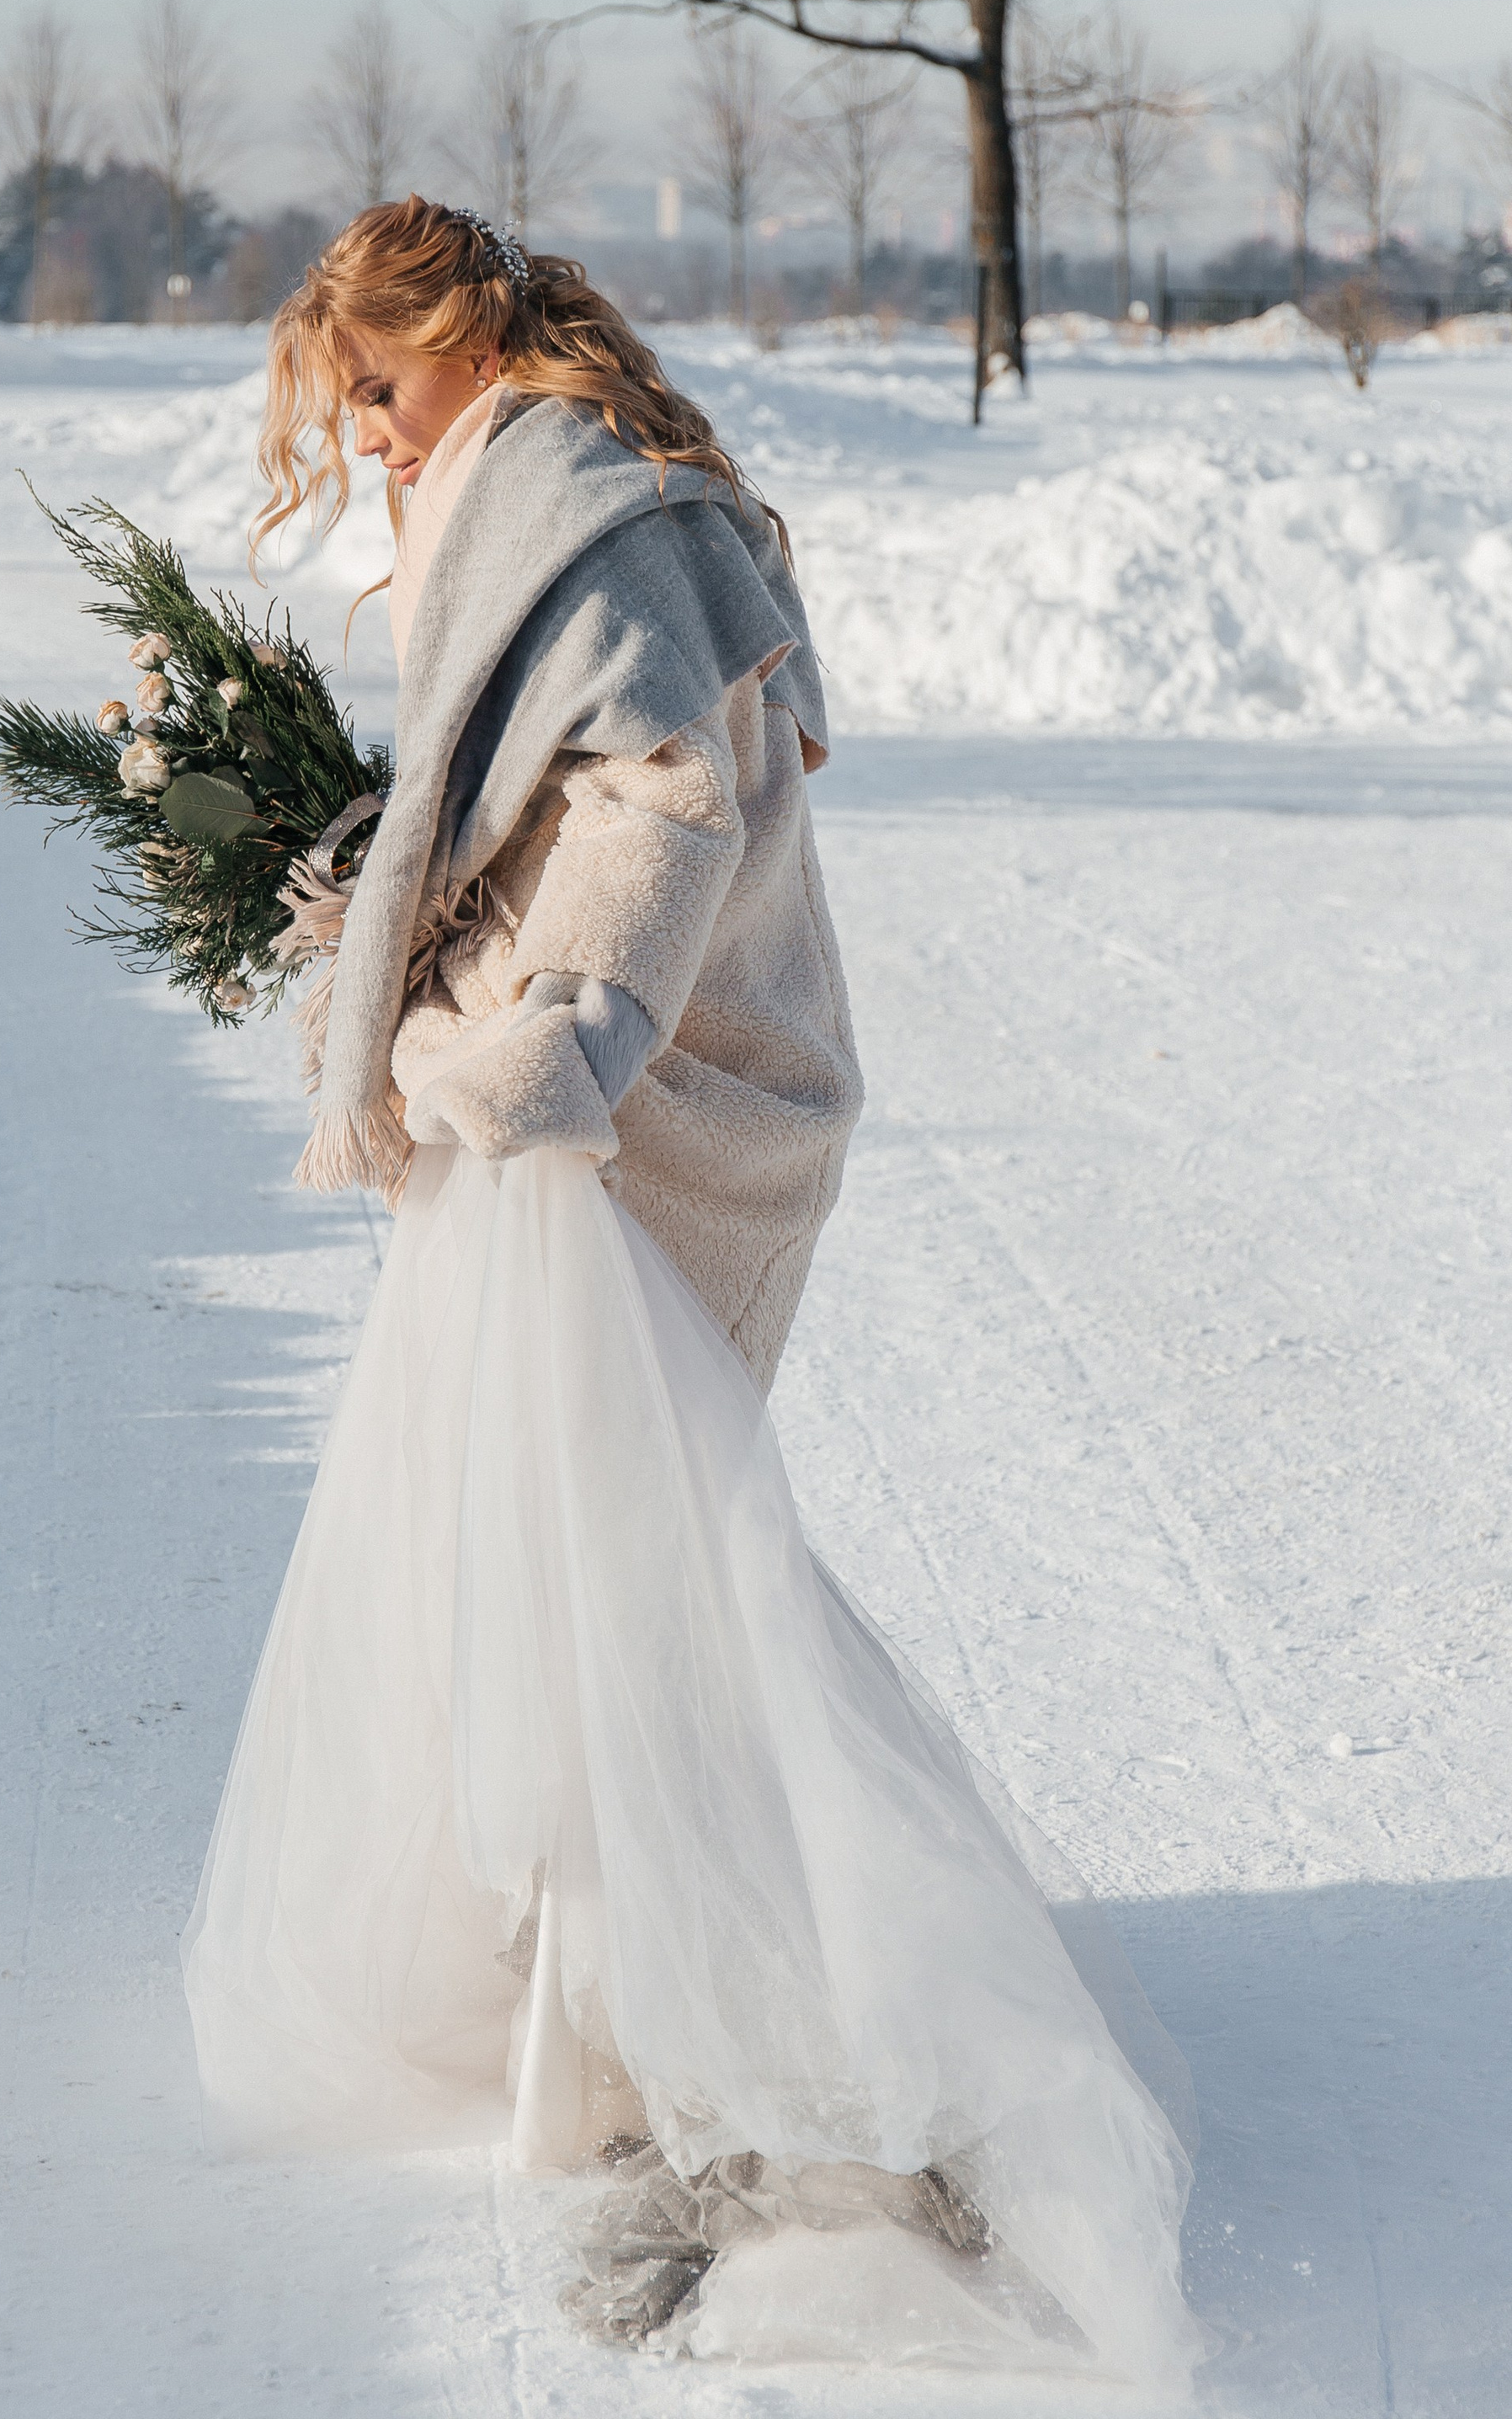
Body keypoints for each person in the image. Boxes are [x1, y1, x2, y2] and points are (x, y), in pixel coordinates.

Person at [182, 196, 1200, 2384]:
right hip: (617, 1118)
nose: (364, 439)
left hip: (664, 1122)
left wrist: (548, 1043)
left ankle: (754, 2046)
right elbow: (544, 787)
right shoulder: (537, 484)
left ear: (451, 340)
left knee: (650, 1583)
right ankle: (628, 2026)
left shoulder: (576, 506)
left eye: (374, 388)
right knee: (585, 1571)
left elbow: (661, 800)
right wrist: (388, 924)